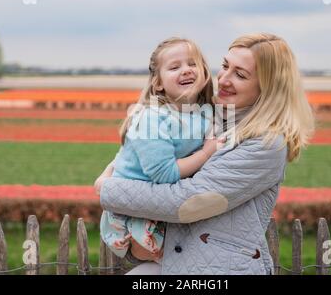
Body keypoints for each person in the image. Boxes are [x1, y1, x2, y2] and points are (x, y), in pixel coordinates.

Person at [99, 33, 315, 274]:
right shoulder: (211, 116)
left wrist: (107, 188)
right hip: (179, 263)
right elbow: (145, 155)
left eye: (240, 74)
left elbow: (188, 202)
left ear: (269, 88)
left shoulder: (266, 143)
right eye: (225, 66)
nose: (223, 79)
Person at [96, 37, 223, 263]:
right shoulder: (152, 118)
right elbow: (164, 174)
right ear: (158, 83)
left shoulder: (205, 113)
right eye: (175, 67)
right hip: (133, 213)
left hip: (162, 205)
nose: (186, 70)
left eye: (193, 64)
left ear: (204, 72)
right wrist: (205, 153)